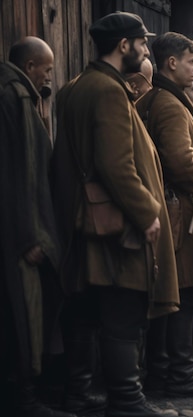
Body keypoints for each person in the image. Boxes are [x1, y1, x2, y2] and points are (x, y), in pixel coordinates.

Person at [52, 12, 180, 417]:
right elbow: (116, 164)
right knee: (123, 309)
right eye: (141, 43)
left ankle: (80, 395)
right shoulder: (108, 90)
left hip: (83, 219)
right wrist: (147, 213)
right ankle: (126, 401)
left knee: (87, 309)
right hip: (113, 222)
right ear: (124, 45)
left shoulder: (75, 87)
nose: (145, 50)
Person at [136, 32, 193, 397]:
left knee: (174, 295)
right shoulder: (170, 104)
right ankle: (180, 373)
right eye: (191, 61)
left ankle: (167, 371)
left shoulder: (156, 98)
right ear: (172, 63)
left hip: (174, 213)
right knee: (185, 295)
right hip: (181, 216)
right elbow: (180, 159)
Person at [0, 36, 76, 417]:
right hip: (24, 238)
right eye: (46, 68)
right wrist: (31, 236)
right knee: (24, 313)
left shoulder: (23, 96)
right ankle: (24, 398)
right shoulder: (16, 96)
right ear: (30, 66)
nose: (49, 74)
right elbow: (21, 175)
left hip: (22, 233)